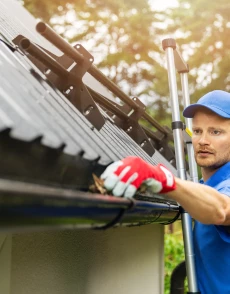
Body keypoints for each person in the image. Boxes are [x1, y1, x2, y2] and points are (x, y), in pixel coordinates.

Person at [100, 90, 230, 294]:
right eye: (197, 131)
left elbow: (221, 209)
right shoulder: (207, 186)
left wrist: (164, 179)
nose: (203, 141)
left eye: (216, 132)